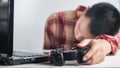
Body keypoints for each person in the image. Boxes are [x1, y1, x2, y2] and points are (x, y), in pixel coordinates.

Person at [43, 2, 120, 64]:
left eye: (85, 38)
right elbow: (47, 58)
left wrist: (104, 44)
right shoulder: (54, 21)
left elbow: (116, 39)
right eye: (79, 28)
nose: (78, 37)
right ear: (85, 11)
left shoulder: (112, 28)